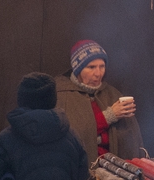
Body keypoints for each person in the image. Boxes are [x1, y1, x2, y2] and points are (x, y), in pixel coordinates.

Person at [55, 39, 143, 168]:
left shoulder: (112, 95)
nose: (98, 73)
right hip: (79, 171)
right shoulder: (61, 95)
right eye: (91, 67)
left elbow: (129, 139)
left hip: (114, 171)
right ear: (78, 69)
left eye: (102, 66)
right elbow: (70, 136)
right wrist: (110, 116)